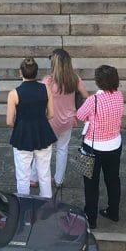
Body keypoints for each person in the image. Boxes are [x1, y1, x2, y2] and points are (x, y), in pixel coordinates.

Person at [76, 65, 125, 227]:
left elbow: (80, 115)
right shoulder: (119, 96)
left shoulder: (93, 100)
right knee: (113, 179)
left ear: (98, 82)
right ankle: (114, 211)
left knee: (91, 184)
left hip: (92, 147)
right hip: (115, 144)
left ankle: (91, 219)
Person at [7, 57, 57, 199]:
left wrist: (22, 123)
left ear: (20, 72)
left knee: (23, 175)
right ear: (37, 73)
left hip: (22, 134)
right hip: (43, 132)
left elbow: (9, 121)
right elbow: (51, 114)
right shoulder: (45, 88)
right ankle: (46, 202)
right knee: (44, 172)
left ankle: (24, 205)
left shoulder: (14, 94)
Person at [43, 49, 88, 189]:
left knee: (44, 151)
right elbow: (86, 96)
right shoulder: (74, 79)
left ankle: (35, 177)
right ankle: (59, 180)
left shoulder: (48, 81)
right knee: (62, 149)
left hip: (50, 121)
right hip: (68, 120)